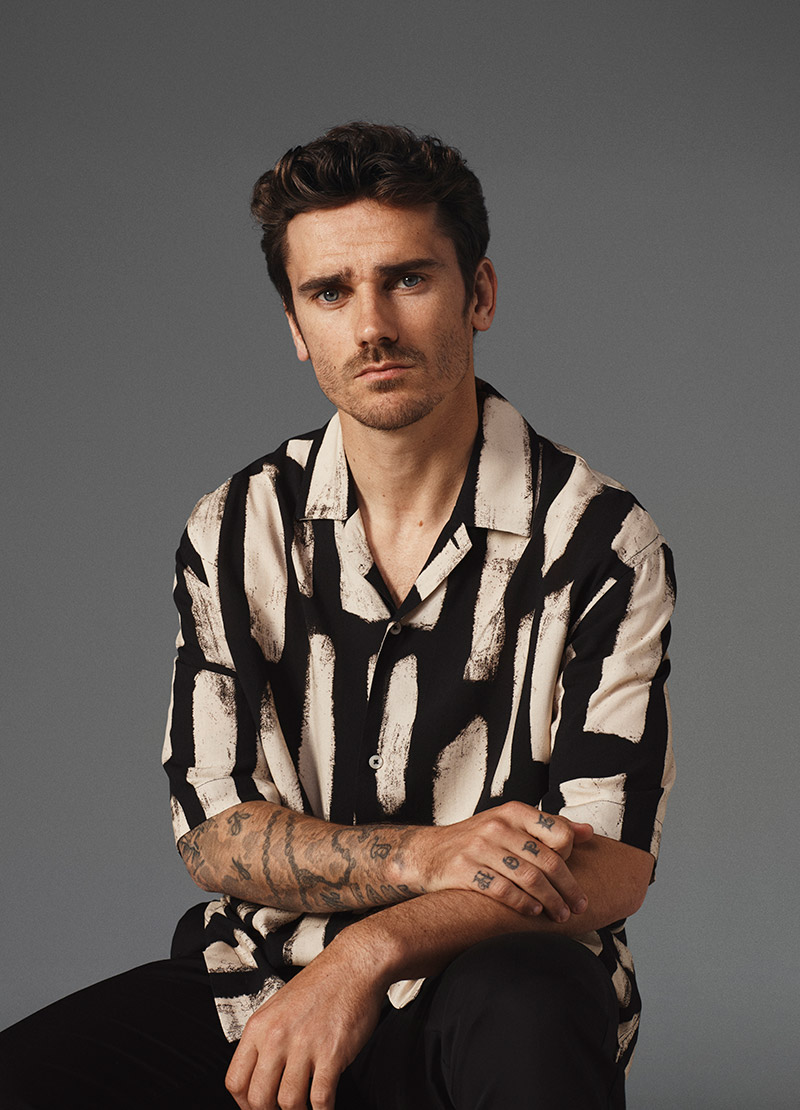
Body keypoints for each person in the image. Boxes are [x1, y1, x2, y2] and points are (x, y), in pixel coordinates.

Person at [1, 122, 675, 1110]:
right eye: (329, 292)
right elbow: (215, 833)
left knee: (529, 1008)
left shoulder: (599, 537)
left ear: (478, 294)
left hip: (493, 992)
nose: (371, 327)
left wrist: (367, 953)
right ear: (294, 324)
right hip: (256, 981)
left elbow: (609, 864)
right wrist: (424, 856)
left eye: (407, 279)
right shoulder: (234, 529)